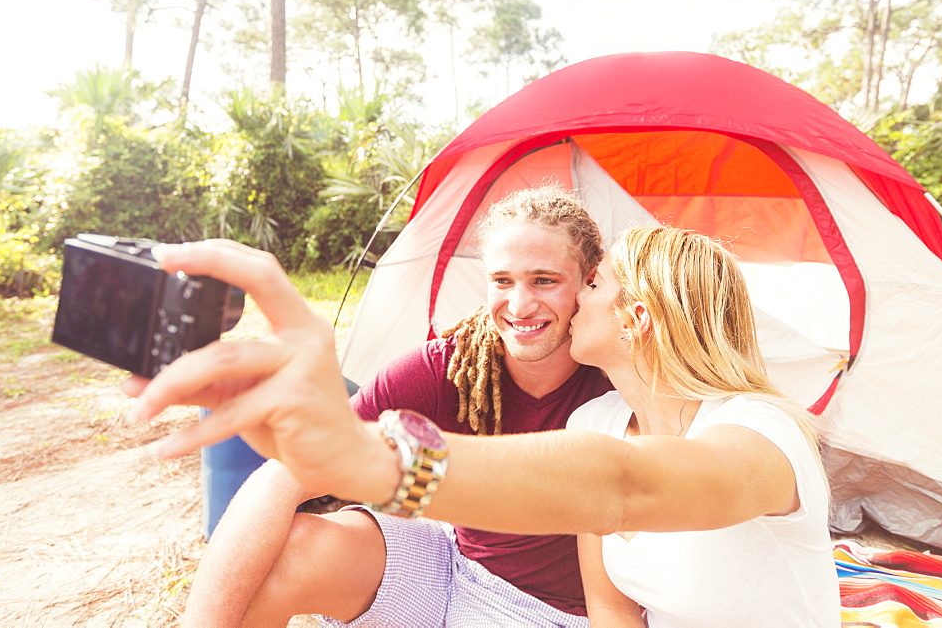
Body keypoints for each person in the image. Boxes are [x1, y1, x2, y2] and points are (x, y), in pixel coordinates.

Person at [128, 226, 840, 627]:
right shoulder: (601, 415)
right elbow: (614, 609)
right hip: (462, 582)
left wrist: (377, 462)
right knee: (299, 549)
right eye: (503, 280)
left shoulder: (764, 434)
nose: (534, 304)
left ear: (638, 317)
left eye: (589, 284)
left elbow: (623, 486)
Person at [171, 186, 613, 627]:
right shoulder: (451, 368)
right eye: (502, 281)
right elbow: (283, 476)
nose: (519, 305)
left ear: (589, 279)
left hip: (563, 612)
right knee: (294, 550)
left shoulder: (624, 374)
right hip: (452, 566)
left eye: (544, 280)